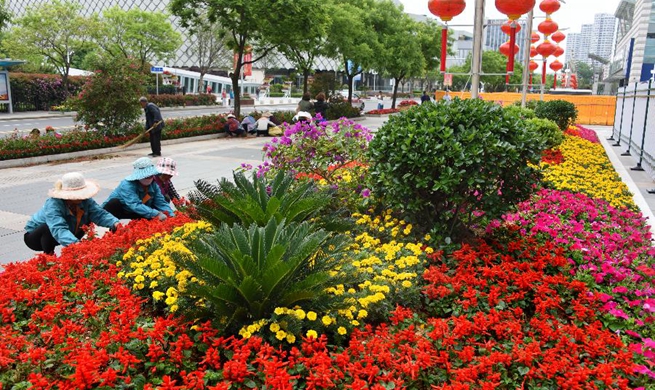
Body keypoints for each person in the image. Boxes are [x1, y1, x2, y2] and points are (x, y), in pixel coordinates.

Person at [24, 172, 120, 255]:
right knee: (47, 228)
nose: (80, 196)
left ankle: (73, 247)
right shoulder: (54, 204)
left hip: (69, 230)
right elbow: (58, 228)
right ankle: (49, 257)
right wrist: (77, 246)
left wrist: (115, 223)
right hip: (37, 238)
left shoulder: (85, 200)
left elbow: (99, 214)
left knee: (88, 219)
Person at [102, 157, 175, 220]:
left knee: (164, 199)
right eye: (146, 176)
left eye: (151, 176)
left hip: (138, 210)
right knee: (114, 203)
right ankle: (114, 227)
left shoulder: (153, 184)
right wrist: (156, 214)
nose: (149, 178)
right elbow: (134, 204)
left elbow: (160, 202)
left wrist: (171, 215)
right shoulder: (127, 184)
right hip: (122, 209)